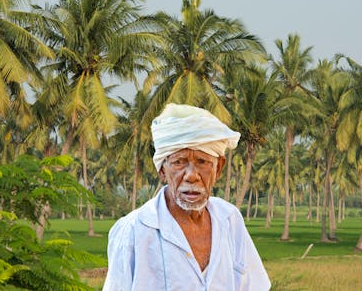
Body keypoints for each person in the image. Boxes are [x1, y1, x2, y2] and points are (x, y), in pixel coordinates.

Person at [103, 103, 271, 290]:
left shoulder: (230, 219)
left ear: (219, 168)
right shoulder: (133, 230)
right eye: (179, 162)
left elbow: (254, 285)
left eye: (202, 162)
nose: (191, 175)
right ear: (162, 170)